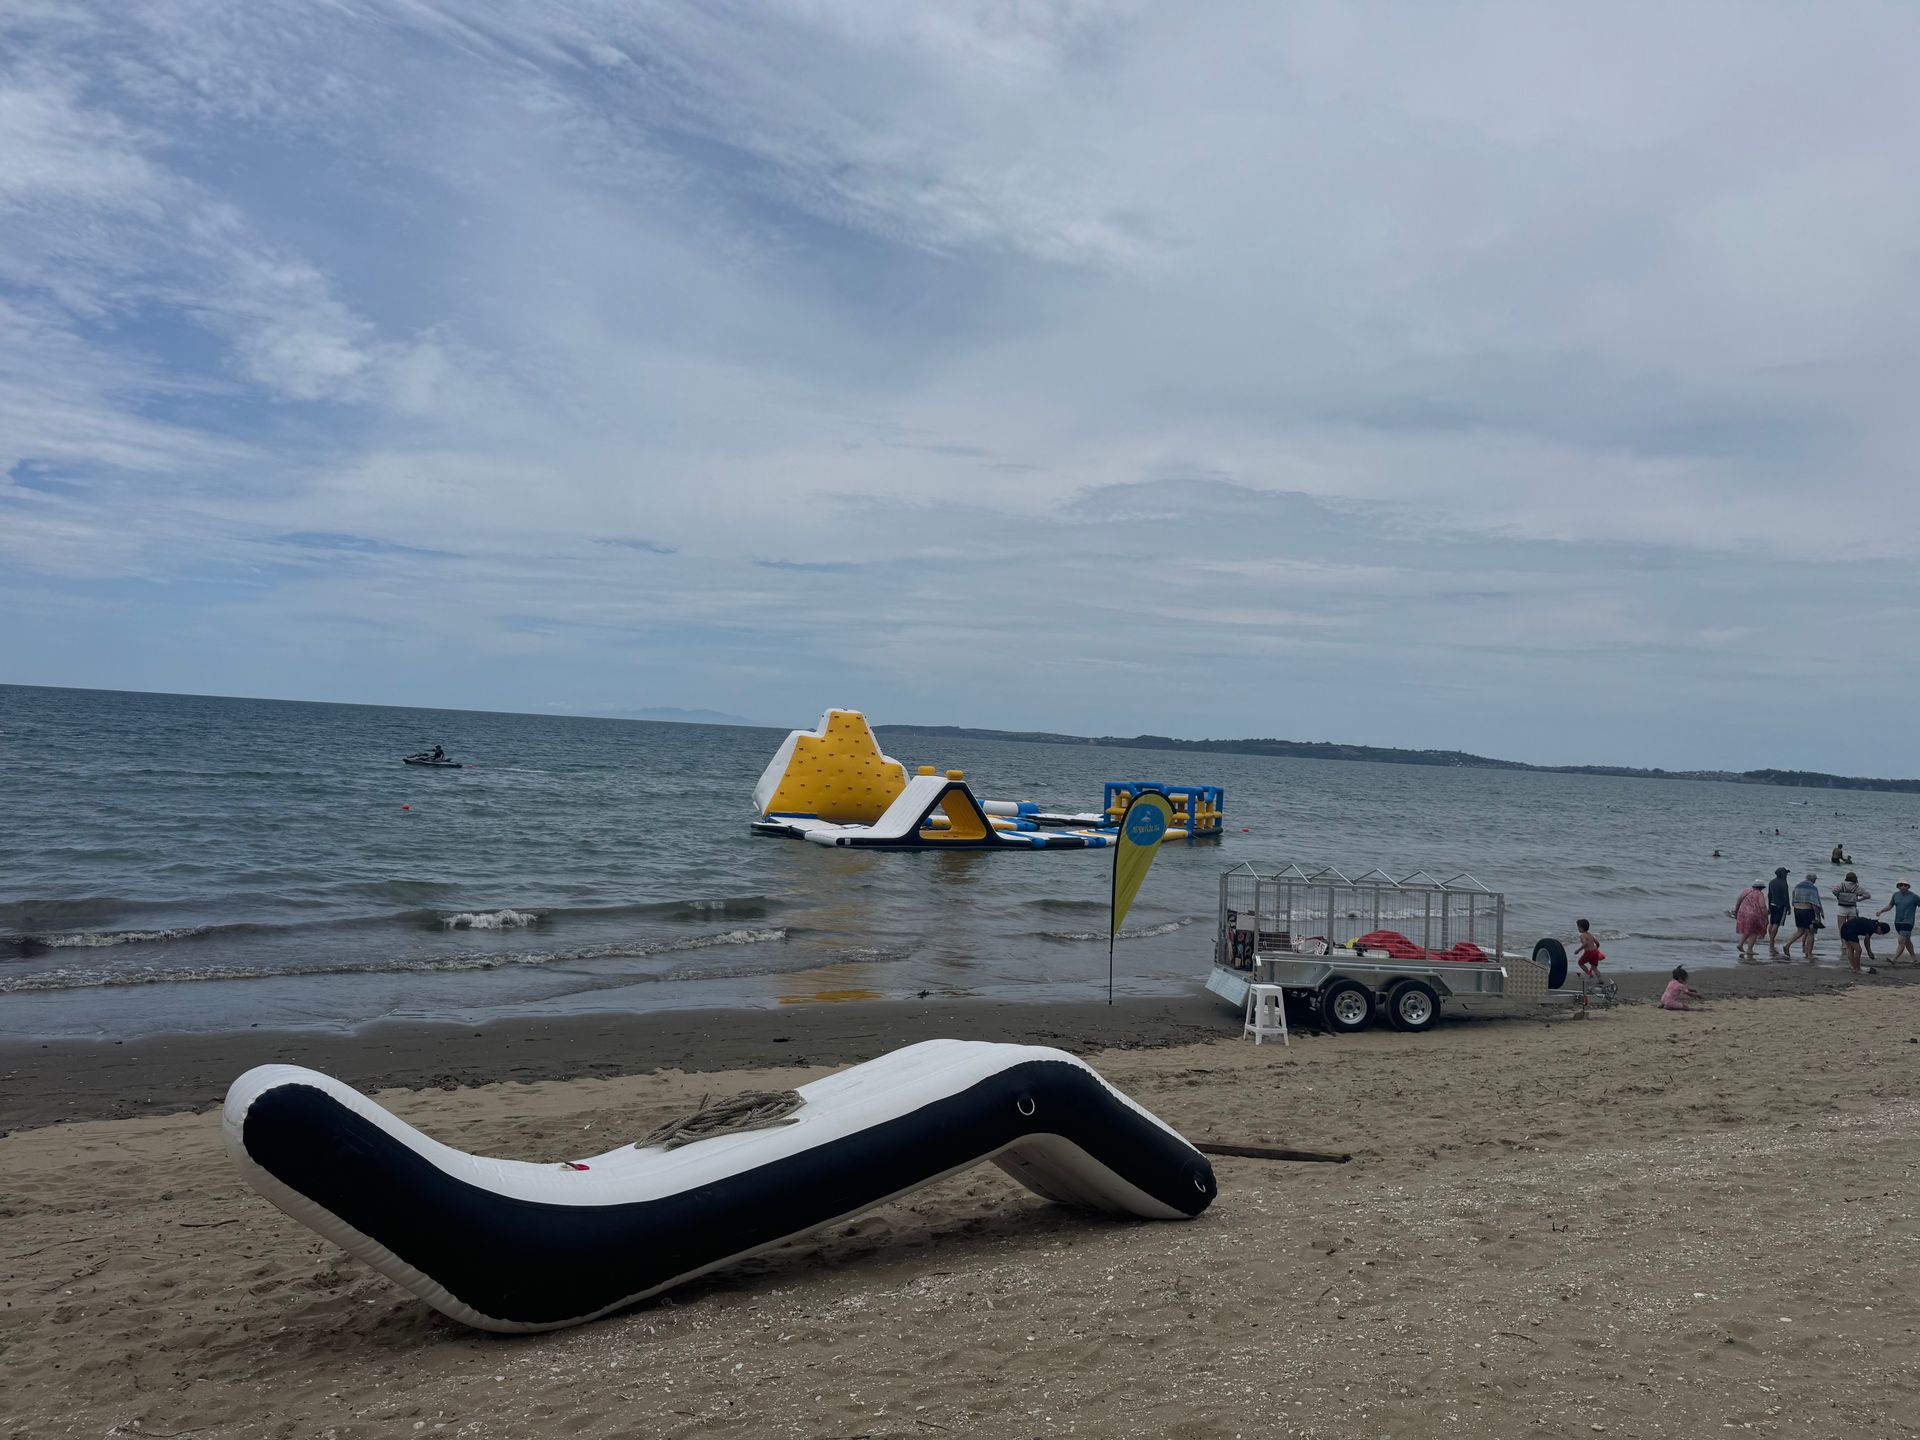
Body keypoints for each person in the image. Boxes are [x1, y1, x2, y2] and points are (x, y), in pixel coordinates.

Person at [1876, 881, 1918, 966]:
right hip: (1898, 922)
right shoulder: (1895, 895)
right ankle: (1914, 959)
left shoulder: (1914, 896)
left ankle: (1894, 959)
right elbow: (1890, 905)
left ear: (1908, 886)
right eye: (1900, 885)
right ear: (1898, 886)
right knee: (1907, 941)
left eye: (1905, 885)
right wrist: (1881, 911)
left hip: (1908, 922)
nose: (1902, 886)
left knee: (1901, 941)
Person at [1787, 872, 1824, 961]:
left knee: (1800, 931)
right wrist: (1818, 916)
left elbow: (1793, 899)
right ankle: (1809, 953)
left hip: (1797, 910)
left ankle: (1787, 945)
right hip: (1807, 911)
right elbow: (1814, 903)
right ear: (1813, 880)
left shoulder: (1797, 886)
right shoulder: (1812, 888)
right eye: (1815, 880)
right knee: (1811, 933)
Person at [1733, 882, 1768, 960]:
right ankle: (1749, 949)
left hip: (1742, 912)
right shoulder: (1760, 894)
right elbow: (1762, 906)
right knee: (1755, 931)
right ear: (1762, 888)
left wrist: (1736, 910)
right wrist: (1765, 914)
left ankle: (1740, 944)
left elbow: (1738, 900)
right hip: (1753, 914)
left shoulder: (1746, 891)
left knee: (1747, 930)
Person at [1765, 867, 1792, 956]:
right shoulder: (1784, 883)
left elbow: (1769, 895)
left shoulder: (1772, 882)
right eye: (1786, 873)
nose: (1787, 875)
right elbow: (1786, 896)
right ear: (1783, 874)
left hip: (1772, 904)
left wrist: (1769, 905)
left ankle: (1771, 939)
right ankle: (1772, 940)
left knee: (1772, 923)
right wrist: (1788, 907)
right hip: (1781, 905)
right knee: (1776, 923)